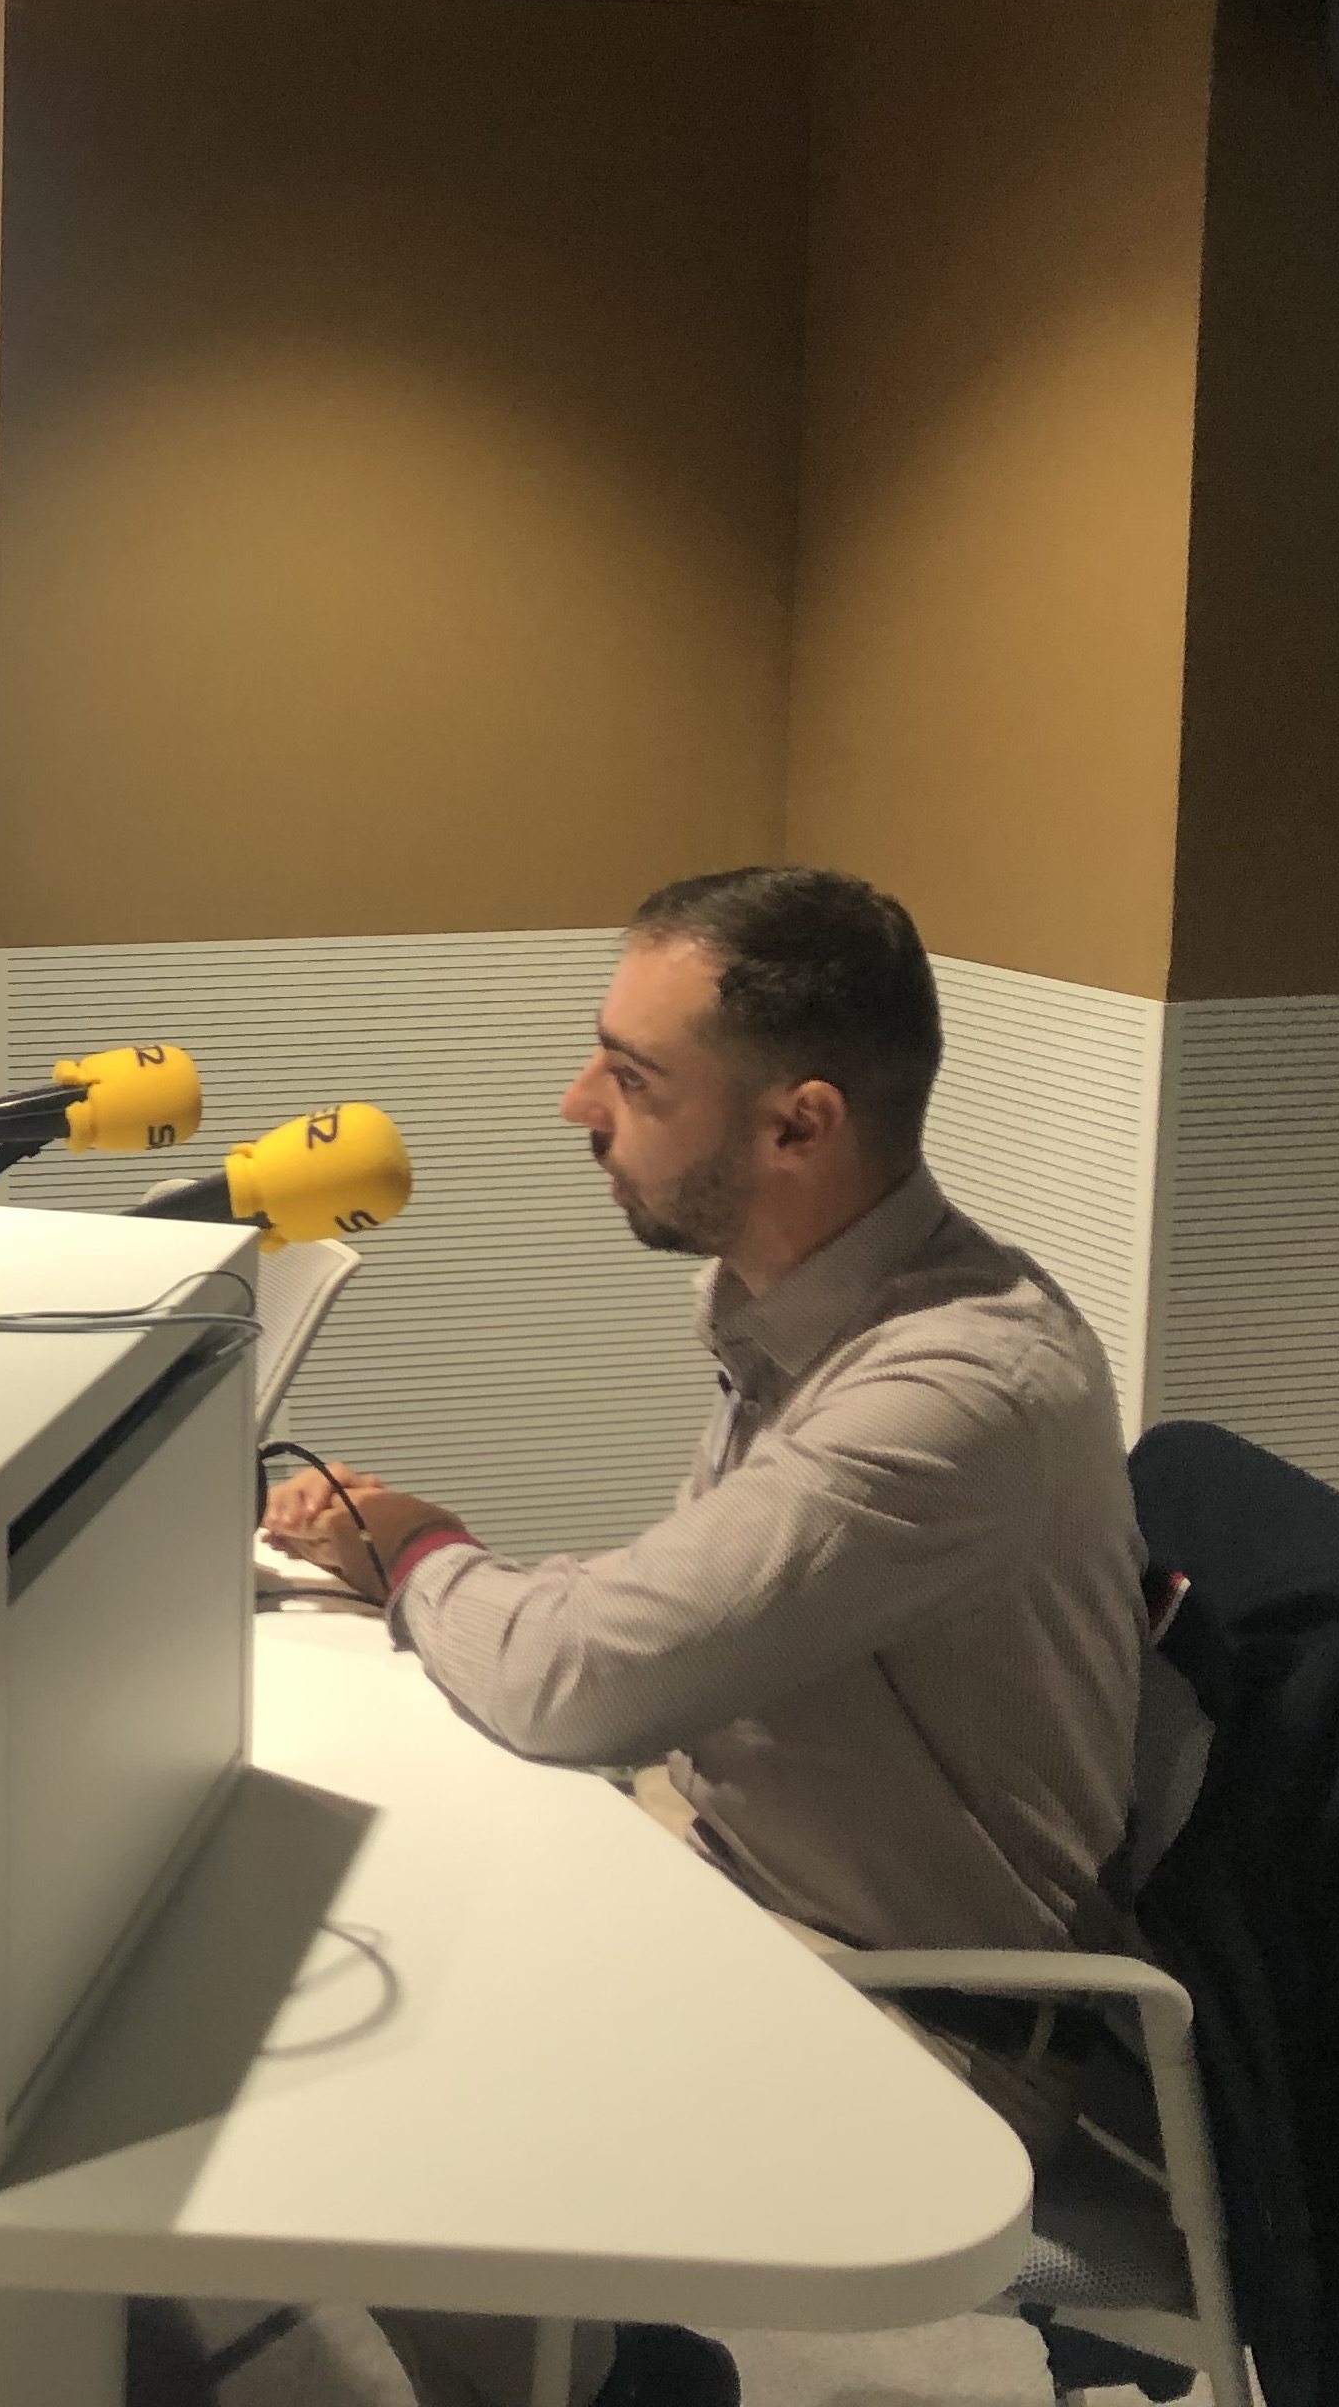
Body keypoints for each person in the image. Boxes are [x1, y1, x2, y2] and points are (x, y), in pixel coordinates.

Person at [262, 867, 1146, 2407]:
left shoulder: (950, 1391)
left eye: (634, 1075)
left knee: (360, 2074)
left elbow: (580, 1683)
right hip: (746, 1882)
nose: (577, 1105)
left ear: (800, 1126)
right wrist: (443, 1571)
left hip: (914, 2011)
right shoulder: (796, 1305)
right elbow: (664, 1623)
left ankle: (616, 2386)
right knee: (337, 1922)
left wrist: (415, 1552)